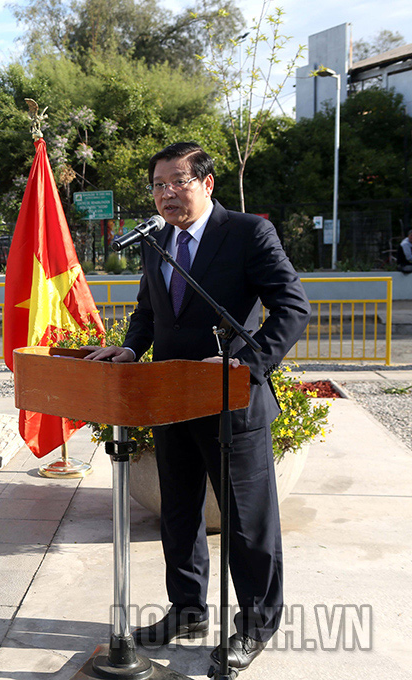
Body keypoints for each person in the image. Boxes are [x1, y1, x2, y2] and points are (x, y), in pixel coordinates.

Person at [84, 142, 311, 671]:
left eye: (177, 181)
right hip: (170, 398)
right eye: (158, 184)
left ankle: (256, 625)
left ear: (207, 184)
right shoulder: (155, 240)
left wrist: (243, 363)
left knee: (246, 522)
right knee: (179, 512)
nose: (166, 194)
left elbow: (292, 306)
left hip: (231, 402)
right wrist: (132, 346)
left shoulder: (248, 233)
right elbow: (149, 307)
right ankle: (187, 608)